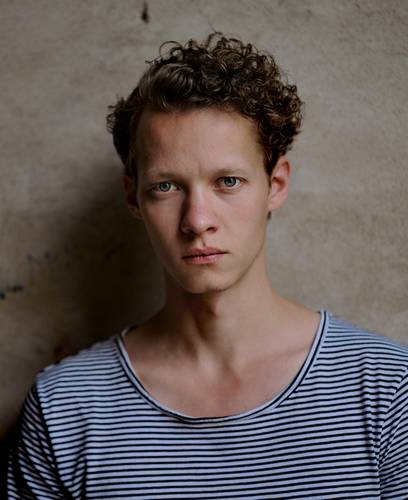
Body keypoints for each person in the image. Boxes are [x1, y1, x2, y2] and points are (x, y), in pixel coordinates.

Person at [7, 33, 408, 499]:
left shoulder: (387, 388)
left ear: (276, 184)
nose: (197, 221)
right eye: (166, 187)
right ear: (132, 197)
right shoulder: (65, 408)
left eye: (228, 181)